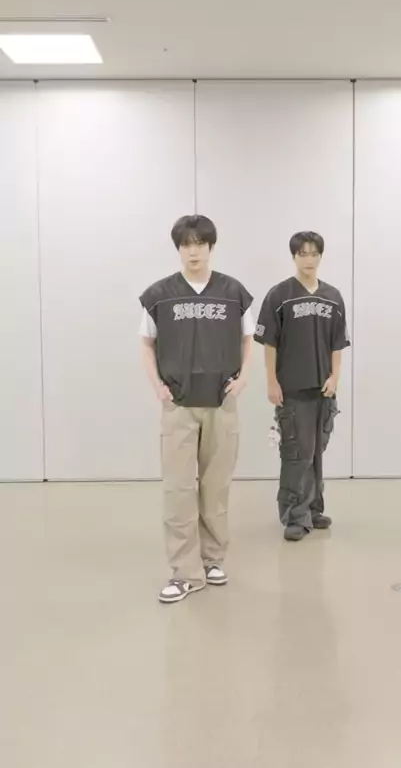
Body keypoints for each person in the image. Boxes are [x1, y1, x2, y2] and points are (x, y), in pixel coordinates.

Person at [139, 215, 254, 603]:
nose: (193, 251)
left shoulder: (233, 292)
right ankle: (184, 572)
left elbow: (248, 338)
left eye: (200, 244)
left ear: (210, 247)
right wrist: (157, 385)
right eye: (186, 244)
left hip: (221, 404)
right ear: (178, 249)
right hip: (179, 406)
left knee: (216, 487)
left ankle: (212, 559)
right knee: (178, 489)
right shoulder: (160, 295)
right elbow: (145, 343)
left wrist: (243, 378)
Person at [254, 231, 350, 541]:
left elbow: (338, 343)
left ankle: (313, 509)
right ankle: (294, 516)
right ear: (293, 256)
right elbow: (269, 343)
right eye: (302, 253)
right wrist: (272, 381)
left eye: (314, 253)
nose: (308, 259)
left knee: (316, 452)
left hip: (323, 388)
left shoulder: (332, 297)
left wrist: (335, 377)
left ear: (321, 256)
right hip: (292, 388)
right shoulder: (280, 295)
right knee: (297, 453)